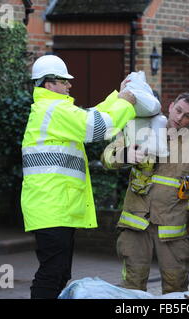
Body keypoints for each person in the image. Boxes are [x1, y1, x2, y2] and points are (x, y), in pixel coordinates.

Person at [21, 54, 137, 299]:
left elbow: (89, 116)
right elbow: (98, 127)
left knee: (59, 273)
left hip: (53, 208)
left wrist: (117, 96)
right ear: (48, 83)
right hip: (53, 209)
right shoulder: (54, 109)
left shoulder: (52, 109)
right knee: (52, 274)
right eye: (64, 81)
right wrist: (126, 104)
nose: (69, 85)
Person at [102, 93, 189, 294]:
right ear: (170, 106)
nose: (180, 118)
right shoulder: (141, 129)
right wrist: (126, 155)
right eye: (178, 110)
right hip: (136, 222)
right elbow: (106, 158)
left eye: (187, 115)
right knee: (132, 285)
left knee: (175, 286)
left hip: (171, 229)